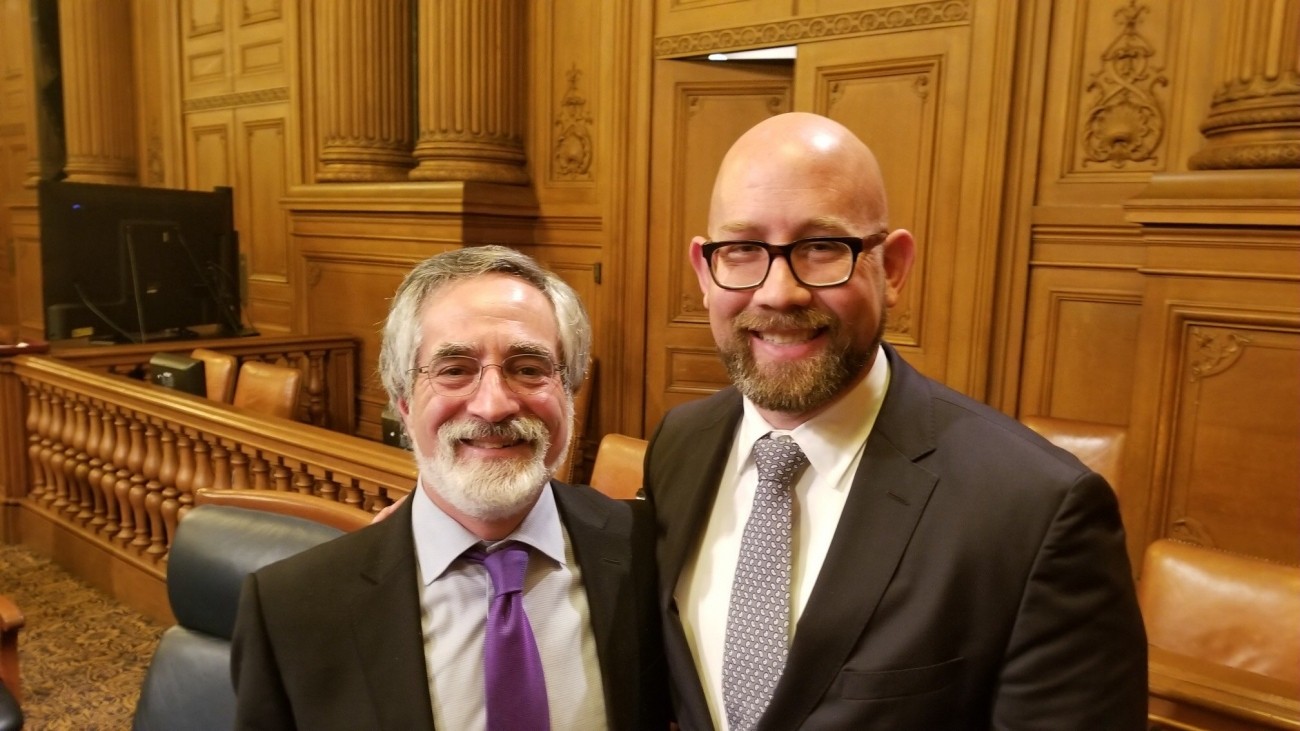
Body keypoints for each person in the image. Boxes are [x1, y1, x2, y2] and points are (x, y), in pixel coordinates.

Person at [644, 112, 1147, 730]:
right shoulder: (679, 445)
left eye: (822, 247)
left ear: (895, 268)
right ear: (704, 269)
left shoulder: (1036, 511)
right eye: (744, 250)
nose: (778, 292)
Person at [231, 246, 668, 730]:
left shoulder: (649, 551)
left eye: (528, 369)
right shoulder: (291, 609)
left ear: (568, 394)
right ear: (403, 403)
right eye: (454, 370)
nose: (494, 405)